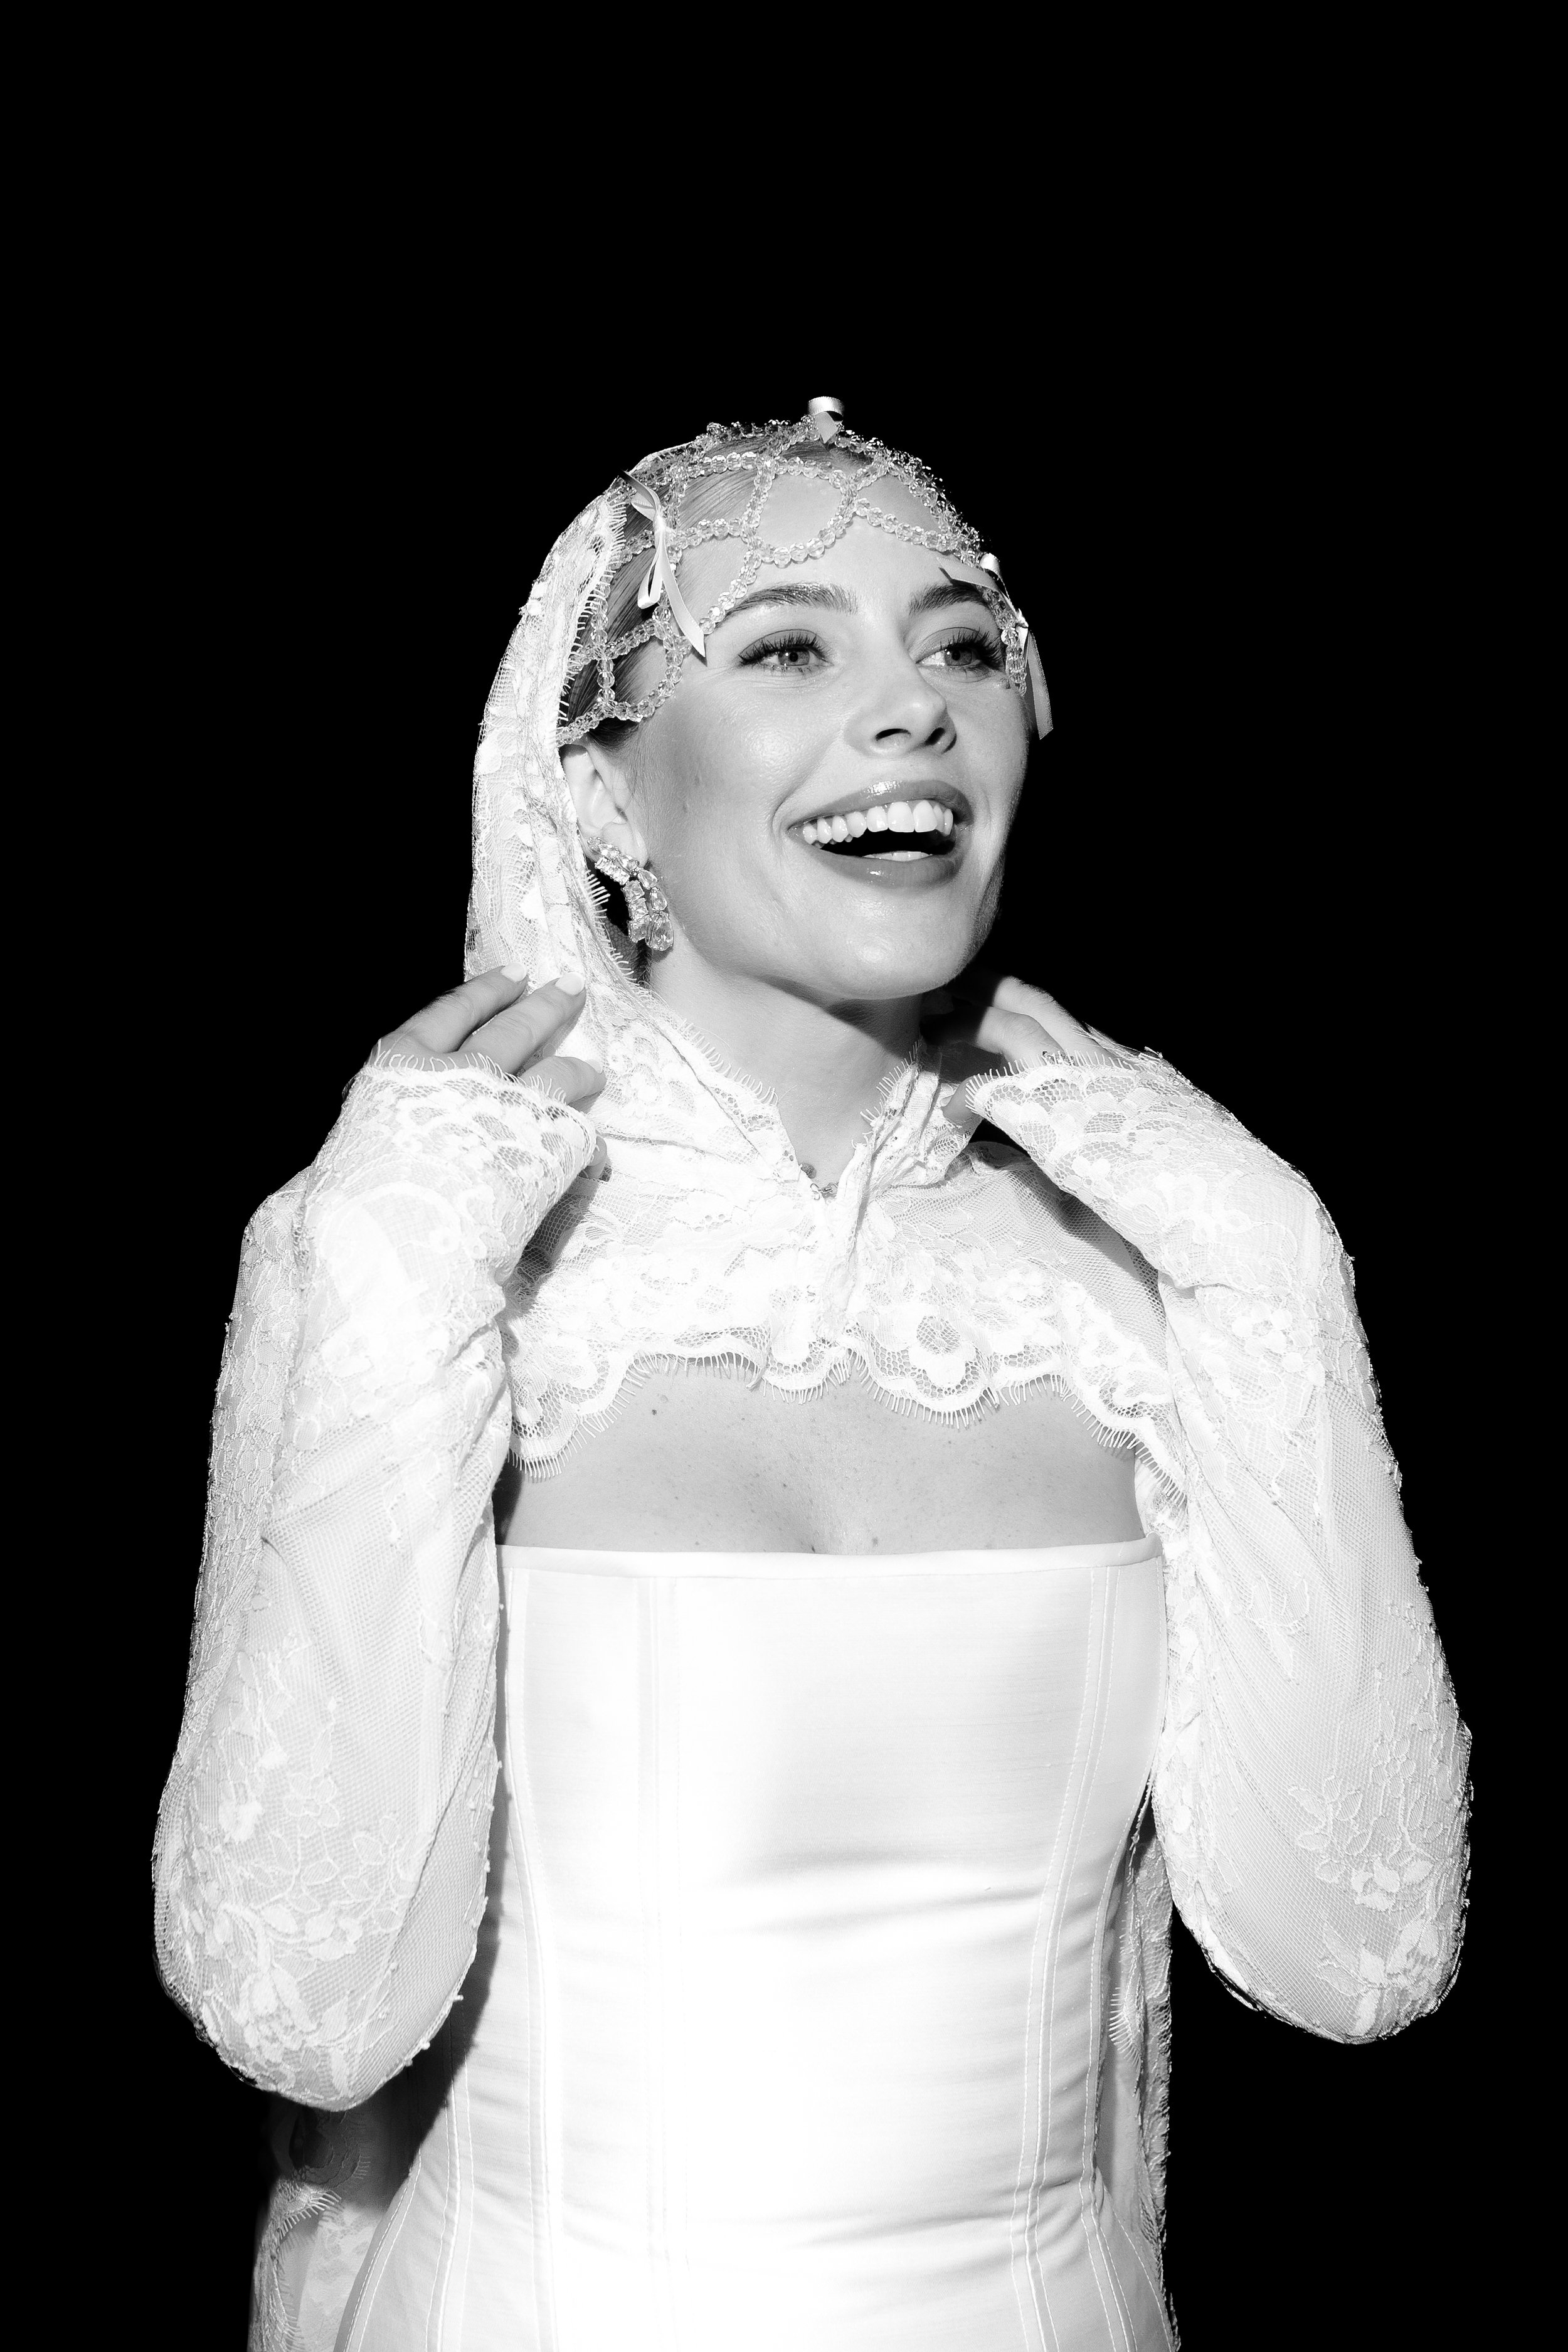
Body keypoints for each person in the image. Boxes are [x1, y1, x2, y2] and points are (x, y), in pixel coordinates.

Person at [154, 404, 1471, 2351]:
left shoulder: (1146, 1281)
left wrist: (1278, 1281)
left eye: (960, 646)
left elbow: (1356, 1957)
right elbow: (307, 2008)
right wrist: (378, 1295)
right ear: (600, 792)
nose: (911, 711)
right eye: (785, 647)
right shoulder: (413, 1257)